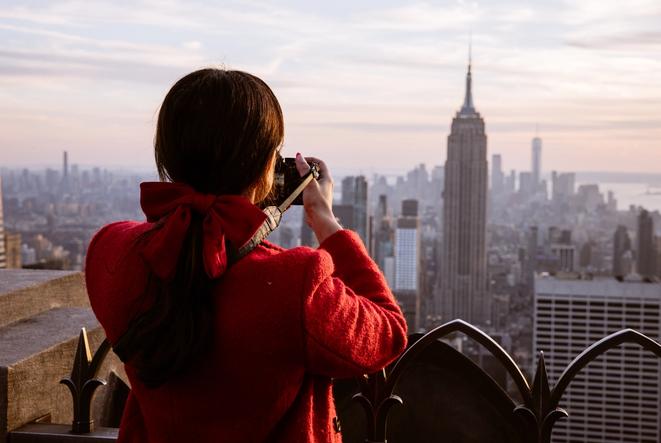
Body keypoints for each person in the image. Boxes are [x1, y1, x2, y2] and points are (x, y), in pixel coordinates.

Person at [85, 68, 408, 443]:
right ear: (266, 168)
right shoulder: (296, 285)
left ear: (168, 156)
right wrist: (326, 221)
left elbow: (180, 253)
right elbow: (388, 333)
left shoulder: (110, 251)